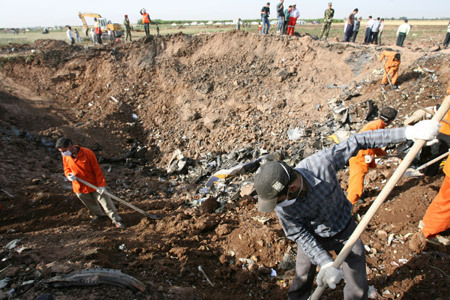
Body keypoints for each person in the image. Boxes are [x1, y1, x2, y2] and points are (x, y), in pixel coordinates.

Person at [253, 120, 440, 299]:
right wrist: (325, 263)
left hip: (344, 227)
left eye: (277, 199)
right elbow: (299, 234)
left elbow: (359, 141)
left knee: (357, 268)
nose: (275, 205)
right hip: (312, 234)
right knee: (303, 273)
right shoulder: (281, 206)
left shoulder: (320, 165)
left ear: (291, 188)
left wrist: (408, 132)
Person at [55, 138, 125, 228]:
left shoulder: (87, 153)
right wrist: (68, 175)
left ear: (71, 146)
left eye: (64, 150)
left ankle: (116, 220)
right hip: (79, 186)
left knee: (106, 203)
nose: (63, 153)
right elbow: (66, 168)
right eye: (61, 151)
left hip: (94, 184)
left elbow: (97, 170)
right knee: (90, 204)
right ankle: (100, 216)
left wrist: (101, 185)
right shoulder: (66, 156)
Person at [347, 107, 398, 205]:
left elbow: (374, 145)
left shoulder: (376, 125)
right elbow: (362, 141)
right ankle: (349, 205)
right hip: (359, 158)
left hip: (359, 156)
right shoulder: (376, 127)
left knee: (355, 181)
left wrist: (383, 154)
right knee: (356, 185)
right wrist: (367, 154)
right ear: (391, 121)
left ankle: (354, 197)